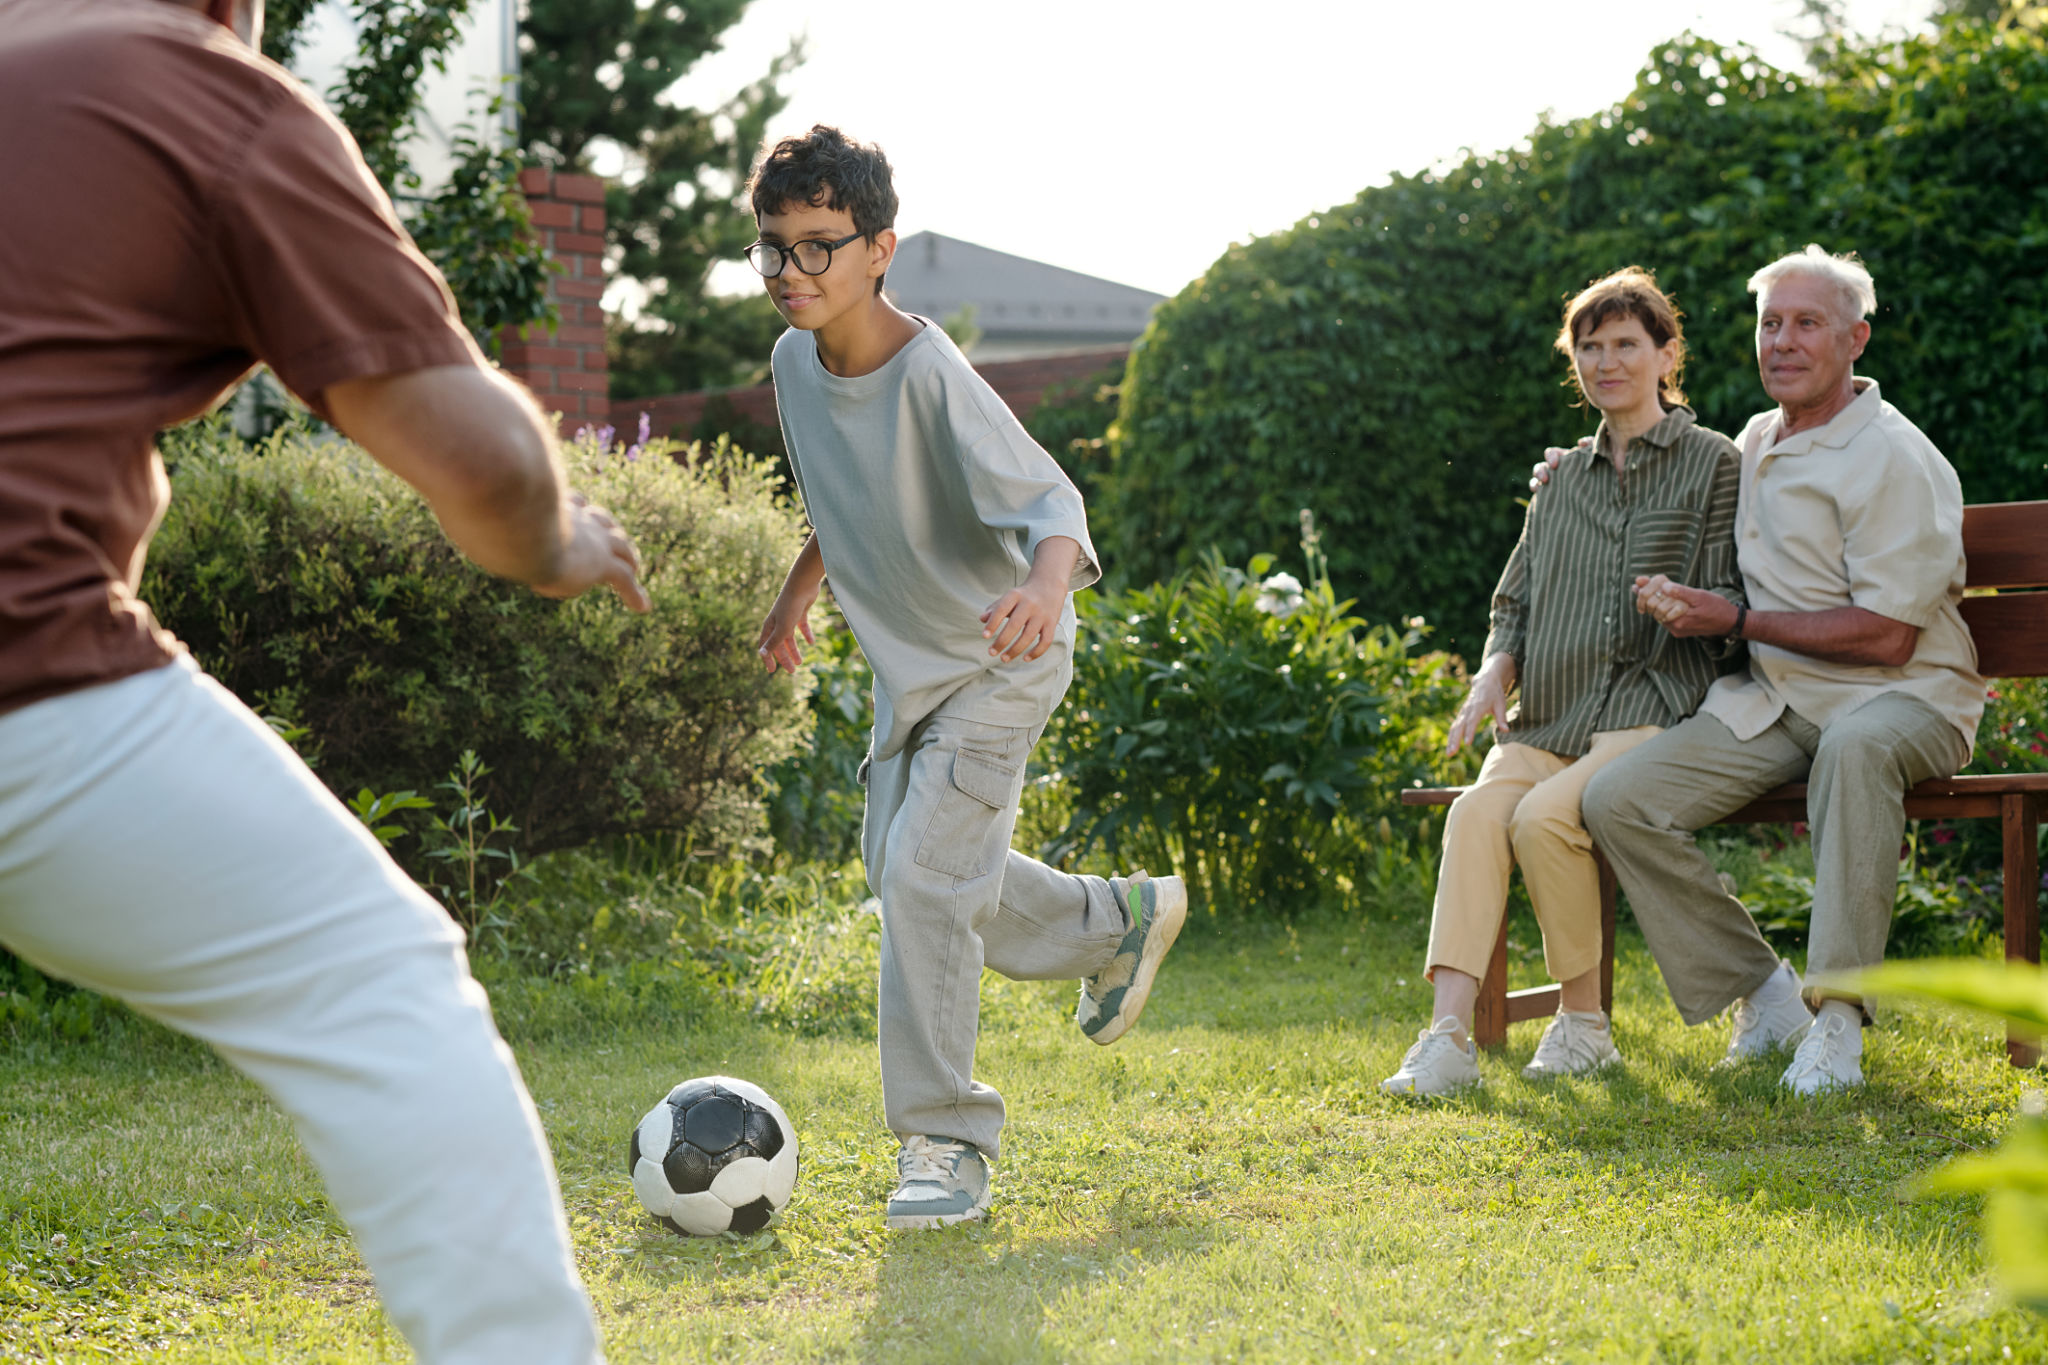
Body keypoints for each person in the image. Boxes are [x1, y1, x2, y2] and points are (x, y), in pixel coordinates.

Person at [0, 1, 648, 1360]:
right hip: (25, 674)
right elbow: (484, 466)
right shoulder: (191, 89)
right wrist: (557, 541)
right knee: (378, 982)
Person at [747, 125, 1186, 1229]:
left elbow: (1052, 506)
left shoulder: (929, 369)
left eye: (817, 249)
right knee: (911, 872)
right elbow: (836, 492)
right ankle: (1111, 921)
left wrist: (1044, 594)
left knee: (926, 883)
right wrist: (798, 591)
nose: (789, 275)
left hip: (1000, 658)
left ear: (877, 249)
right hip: (919, 678)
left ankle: (946, 1141)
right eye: (772, 249)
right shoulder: (794, 361)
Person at [1578, 245, 1984, 1096]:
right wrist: (1570, 470)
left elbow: (1889, 639)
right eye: (1771, 324)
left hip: (1904, 699)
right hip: (1782, 699)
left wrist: (1739, 620)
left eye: (1808, 323)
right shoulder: (1759, 437)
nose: (1784, 341)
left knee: (1856, 749)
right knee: (1619, 800)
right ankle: (1767, 998)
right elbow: (1665, 465)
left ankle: (1838, 1022)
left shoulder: (1894, 456)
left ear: (1856, 339)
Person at [1381, 268, 1743, 1097]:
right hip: (1550, 716)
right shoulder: (1558, 481)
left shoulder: (1712, 463)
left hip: (1650, 713)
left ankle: (1583, 1025)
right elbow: (1515, 600)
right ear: (1573, 360)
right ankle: (1446, 1039)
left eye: (1625, 344)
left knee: (1545, 818)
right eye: (1590, 346)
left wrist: (1688, 607)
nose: (1606, 361)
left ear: (1665, 353)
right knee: (1477, 812)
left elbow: (1732, 594)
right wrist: (1491, 674)